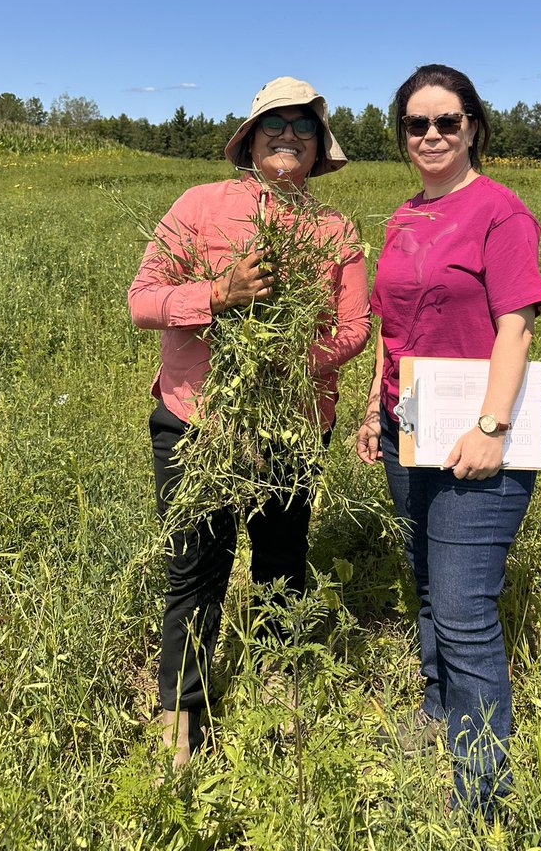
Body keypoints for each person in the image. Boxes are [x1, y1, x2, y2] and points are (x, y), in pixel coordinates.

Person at [129, 77, 370, 767]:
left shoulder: (335, 230)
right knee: (196, 569)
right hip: (195, 421)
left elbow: (354, 327)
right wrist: (219, 294)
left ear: (320, 145)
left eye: (303, 125)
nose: (289, 134)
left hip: (292, 426)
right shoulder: (200, 205)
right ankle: (182, 711)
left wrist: (292, 361)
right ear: (250, 138)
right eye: (275, 123)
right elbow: (142, 300)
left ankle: (277, 682)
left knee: (282, 561)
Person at [356, 63, 541, 818]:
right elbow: (389, 329)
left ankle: (482, 798)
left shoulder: (502, 213)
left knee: (467, 611)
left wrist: (492, 428)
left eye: (447, 121)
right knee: (428, 579)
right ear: (401, 134)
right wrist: (377, 410)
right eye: (416, 124)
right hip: (412, 425)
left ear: (473, 127)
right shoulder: (402, 218)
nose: (431, 135)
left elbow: (516, 326)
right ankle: (439, 712)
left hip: (478, 433)